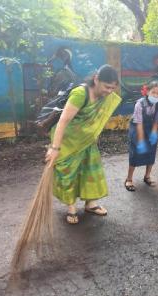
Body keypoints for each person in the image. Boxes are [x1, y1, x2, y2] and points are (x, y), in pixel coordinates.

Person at [45, 64, 121, 224]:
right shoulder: (80, 94)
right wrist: (54, 148)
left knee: (91, 171)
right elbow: (63, 122)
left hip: (86, 141)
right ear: (96, 79)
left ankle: (90, 204)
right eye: (107, 87)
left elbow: (96, 121)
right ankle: (71, 208)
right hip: (67, 142)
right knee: (68, 173)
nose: (109, 92)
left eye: (112, 88)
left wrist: (93, 135)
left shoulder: (103, 96)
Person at [125, 81, 158, 191]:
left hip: (150, 128)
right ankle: (129, 179)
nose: (156, 95)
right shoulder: (139, 104)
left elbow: (156, 121)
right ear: (147, 92)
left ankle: (147, 177)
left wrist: (154, 133)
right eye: (153, 92)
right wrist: (141, 140)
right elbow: (139, 123)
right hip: (137, 128)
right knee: (135, 153)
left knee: (151, 151)